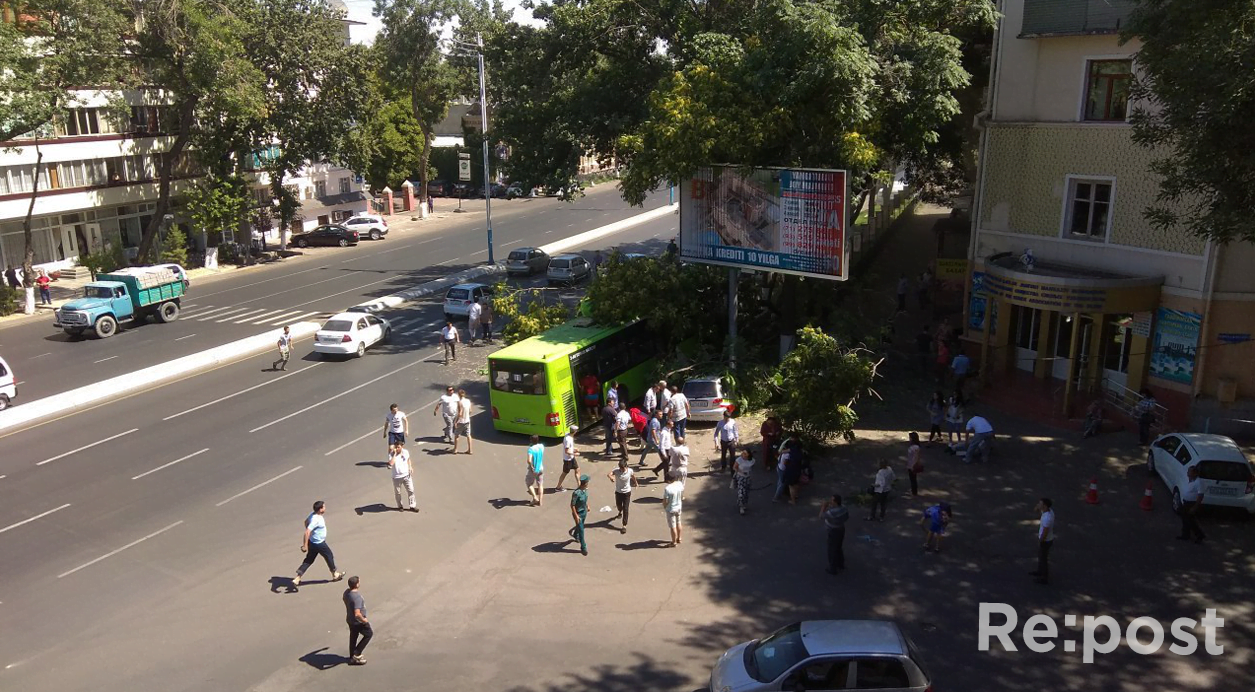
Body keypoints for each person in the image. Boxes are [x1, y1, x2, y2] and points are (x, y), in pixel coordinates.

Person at [294, 500, 344, 587]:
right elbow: (307, 532)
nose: (325, 508)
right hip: (319, 543)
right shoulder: (316, 519)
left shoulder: (312, 515)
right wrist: (305, 545)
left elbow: (305, 522)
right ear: (320, 509)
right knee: (329, 555)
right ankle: (335, 574)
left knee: (309, 560)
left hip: (312, 542)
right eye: (324, 507)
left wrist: (311, 535)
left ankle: (297, 578)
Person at [343, 575, 371, 665]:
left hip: (350, 619)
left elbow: (344, 600)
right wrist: (364, 620)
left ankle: (352, 657)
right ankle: (357, 653)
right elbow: (357, 613)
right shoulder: (357, 597)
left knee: (353, 637)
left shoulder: (347, 592)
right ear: (357, 584)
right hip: (358, 622)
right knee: (368, 634)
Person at [818, 494, 849, 574]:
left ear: (835, 502)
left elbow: (821, 516)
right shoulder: (844, 508)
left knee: (832, 549)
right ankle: (840, 563)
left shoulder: (831, 512)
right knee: (838, 547)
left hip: (833, 531)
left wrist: (823, 507)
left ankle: (832, 568)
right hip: (841, 528)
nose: (830, 501)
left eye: (832, 500)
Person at [1177, 466, 1206, 543]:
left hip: (1191, 504)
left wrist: (1195, 507)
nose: (1187, 473)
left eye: (1190, 472)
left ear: (1195, 473)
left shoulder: (1198, 482)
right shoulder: (1190, 480)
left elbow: (1200, 495)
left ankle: (1199, 535)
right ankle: (1185, 534)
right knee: (1185, 519)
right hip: (1186, 502)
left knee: (1190, 521)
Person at [608, 458, 637, 533]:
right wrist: (611, 478)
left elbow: (633, 476)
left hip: (627, 492)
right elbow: (609, 474)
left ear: (626, 466)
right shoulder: (616, 471)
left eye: (623, 468)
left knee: (626, 508)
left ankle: (624, 525)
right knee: (619, 505)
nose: (621, 470)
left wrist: (636, 483)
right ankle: (619, 511)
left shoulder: (630, 471)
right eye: (620, 468)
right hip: (618, 492)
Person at [388, 441, 417, 512]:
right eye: (396, 447)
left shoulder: (406, 452)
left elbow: (408, 459)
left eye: (398, 447)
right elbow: (391, 463)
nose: (397, 449)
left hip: (406, 475)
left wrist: (410, 467)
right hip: (397, 477)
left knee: (411, 490)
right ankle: (400, 506)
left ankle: (412, 506)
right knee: (398, 493)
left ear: (402, 447)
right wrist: (394, 454)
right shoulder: (391, 454)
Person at [1031, 498, 1054, 585]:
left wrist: (1041, 540)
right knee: (1041, 557)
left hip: (1045, 540)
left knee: (1043, 558)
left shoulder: (1047, 518)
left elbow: (1045, 531)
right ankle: (1040, 571)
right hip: (1046, 539)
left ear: (1044, 506)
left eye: (1040, 504)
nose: (1038, 504)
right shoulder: (1048, 511)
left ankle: (1044, 577)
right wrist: (1038, 507)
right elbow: (1036, 509)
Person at [555, 424, 581, 492]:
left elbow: (567, 447)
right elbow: (567, 451)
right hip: (568, 460)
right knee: (564, 473)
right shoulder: (568, 439)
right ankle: (558, 487)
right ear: (575, 431)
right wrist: (575, 453)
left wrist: (574, 448)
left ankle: (579, 486)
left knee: (577, 469)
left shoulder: (568, 435)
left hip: (571, 458)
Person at [569, 474, 590, 556]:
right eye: (587, 482)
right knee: (581, 530)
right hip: (578, 513)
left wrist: (587, 505)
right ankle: (583, 547)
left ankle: (575, 534)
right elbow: (572, 505)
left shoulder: (585, 490)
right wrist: (576, 515)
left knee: (580, 526)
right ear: (585, 483)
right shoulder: (576, 493)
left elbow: (584, 500)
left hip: (584, 512)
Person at [663, 472, 684, 546]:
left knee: (672, 526)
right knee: (679, 523)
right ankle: (679, 538)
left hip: (671, 509)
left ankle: (673, 542)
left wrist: (665, 506)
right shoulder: (679, 484)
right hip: (678, 507)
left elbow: (665, 500)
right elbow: (682, 495)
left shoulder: (668, 489)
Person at [732, 449, 755, 515]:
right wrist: (741, 471)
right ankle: (741, 506)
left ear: (748, 455)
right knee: (741, 492)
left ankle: (744, 504)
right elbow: (734, 467)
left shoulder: (752, 460)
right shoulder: (739, 460)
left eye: (745, 453)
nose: (743, 455)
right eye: (743, 453)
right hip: (741, 477)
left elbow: (751, 468)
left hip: (748, 478)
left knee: (746, 492)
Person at [452, 388, 473, 454]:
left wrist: (456, 421)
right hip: (467, 421)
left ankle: (455, 449)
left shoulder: (459, 403)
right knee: (468, 435)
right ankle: (470, 450)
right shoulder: (468, 401)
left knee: (456, 435)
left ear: (458, 395)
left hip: (461, 422)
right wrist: (467, 415)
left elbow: (460, 414)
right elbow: (470, 411)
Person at [525, 435, 545, 507]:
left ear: (531, 440)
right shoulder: (541, 446)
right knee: (540, 484)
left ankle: (535, 498)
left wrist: (531, 466)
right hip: (541, 468)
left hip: (534, 470)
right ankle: (541, 501)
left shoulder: (531, 449)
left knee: (529, 483)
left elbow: (529, 460)